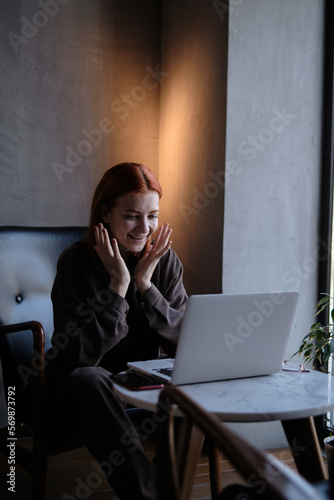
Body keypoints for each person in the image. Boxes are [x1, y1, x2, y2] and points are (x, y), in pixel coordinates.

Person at [45, 162, 188, 500]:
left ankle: (159, 484)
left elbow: (186, 343)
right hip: (77, 383)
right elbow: (77, 357)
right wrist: (119, 287)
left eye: (152, 216)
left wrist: (146, 286)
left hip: (139, 377)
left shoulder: (164, 261)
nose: (144, 227)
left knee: (197, 376)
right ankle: (151, 495)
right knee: (92, 377)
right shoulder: (75, 263)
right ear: (105, 213)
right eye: (132, 216)